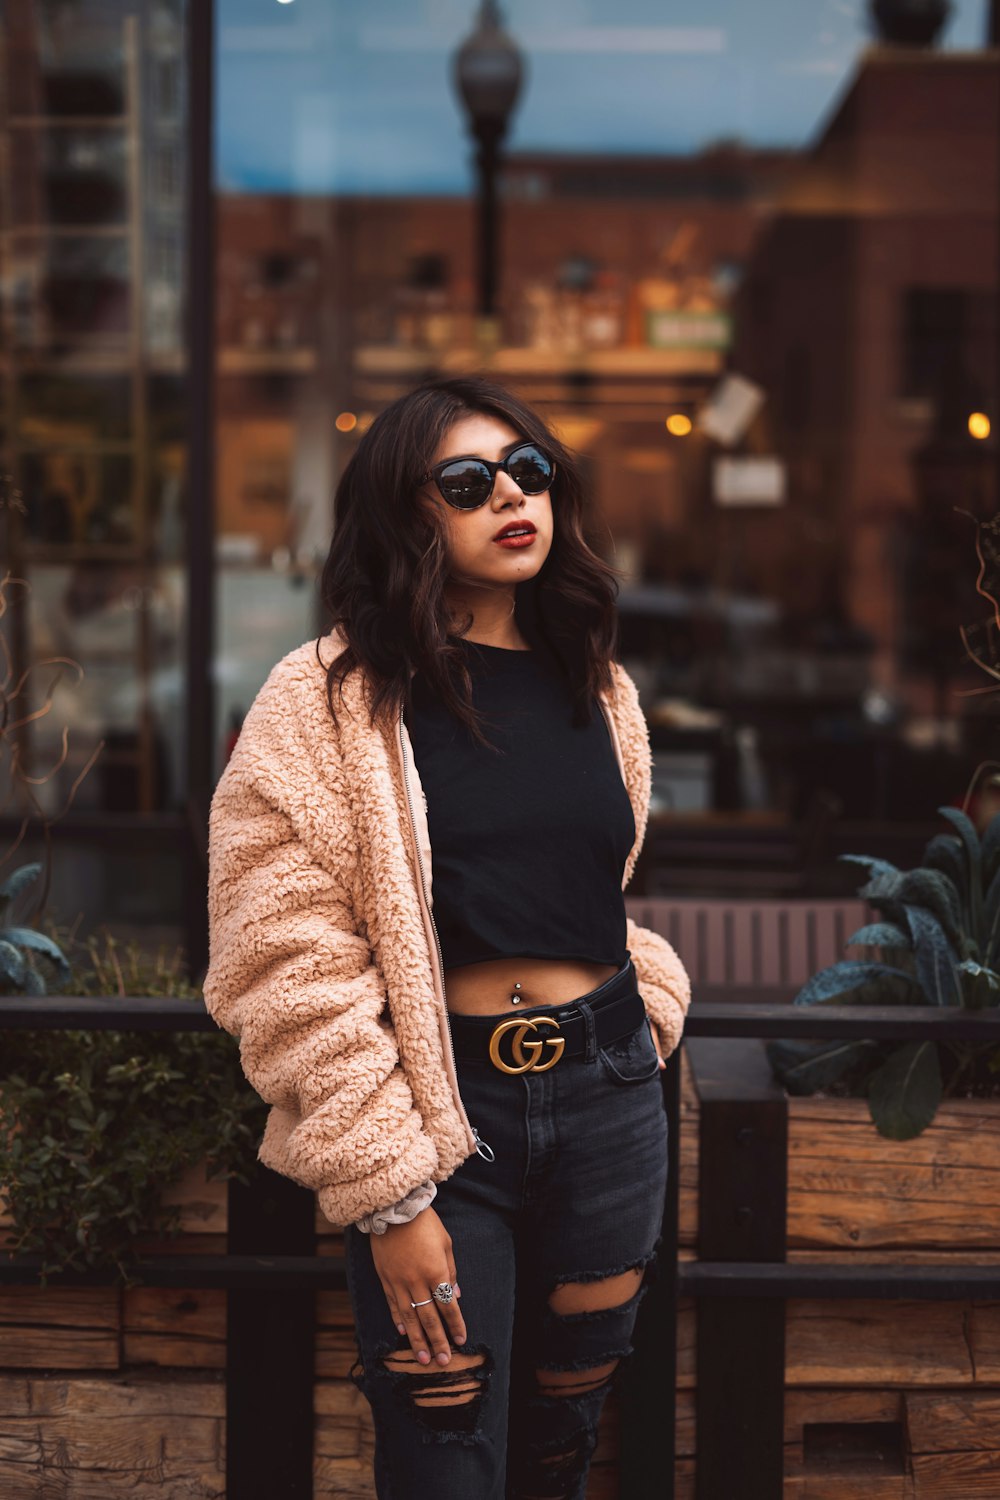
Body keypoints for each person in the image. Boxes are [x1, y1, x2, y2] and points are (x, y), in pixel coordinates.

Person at [204, 375, 691, 1500]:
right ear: (405, 512)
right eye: (466, 483)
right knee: (442, 1442)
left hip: (609, 1096)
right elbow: (284, 957)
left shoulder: (597, 684)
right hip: (439, 1117)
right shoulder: (322, 702)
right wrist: (388, 1190)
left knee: (566, 1433)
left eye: (530, 473)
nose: (510, 499)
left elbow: (588, 895)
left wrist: (646, 997)